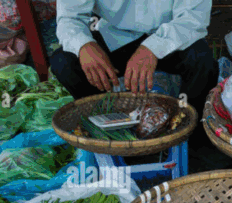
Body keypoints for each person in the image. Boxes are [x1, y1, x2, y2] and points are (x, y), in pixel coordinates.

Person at [50, 0, 219, 127]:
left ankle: (189, 129)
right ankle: (102, 123)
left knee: (202, 60)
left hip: (169, 35)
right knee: (65, 62)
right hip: (114, 36)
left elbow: (193, 18)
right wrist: (85, 45)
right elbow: (69, 18)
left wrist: (152, 48)